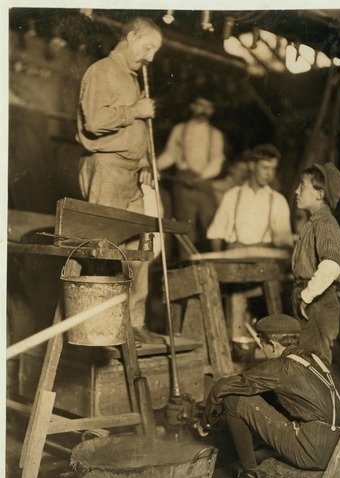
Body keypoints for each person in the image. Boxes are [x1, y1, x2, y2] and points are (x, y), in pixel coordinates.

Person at [195, 314, 340, 478]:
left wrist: (206, 424)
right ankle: (257, 446)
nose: (264, 350)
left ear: (274, 345)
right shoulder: (317, 358)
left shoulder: (280, 367)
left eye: (263, 345)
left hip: (312, 452)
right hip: (339, 445)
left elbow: (221, 387)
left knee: (234, 399)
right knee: (268, 395)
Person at [76, 17, 164, 344]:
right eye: (148, 47)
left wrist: (142, 162)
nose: (151, 57)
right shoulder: (102, 71)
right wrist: (135, 111)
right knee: (104, 252)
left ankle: (134, 324)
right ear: (132, 36)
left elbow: (133, 132)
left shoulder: (131, 77)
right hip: (107, 170)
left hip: (129, 174)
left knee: (143, 248)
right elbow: (95, 122)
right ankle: (99, 332)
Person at [206, 143, 293, 337]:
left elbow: (285, 242)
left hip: (263, 266)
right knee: (236, 305)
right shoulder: (232, 196)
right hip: (234, 266)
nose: (269, 174)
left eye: (273, 169)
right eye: (265, 167)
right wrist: (220, 266)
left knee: (268, 315)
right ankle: (236, 348)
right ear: (252, 166)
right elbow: (215, 233)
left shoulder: (277, 200)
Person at [156, 94, 225, 254]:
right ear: (192, 107)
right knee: (185, 229)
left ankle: (216, 266)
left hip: (204, 184)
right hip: (183, 185)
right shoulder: (179, 130)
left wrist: (200, 177)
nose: (204, 110)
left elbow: (216, 161)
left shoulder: (216, 134)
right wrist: (156, 167)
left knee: (213, 225)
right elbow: (170, 154)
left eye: (209, 107)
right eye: (201, 105)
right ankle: (187, 266)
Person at [292, 162, 340, 364]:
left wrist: (306, 295)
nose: (296, 191)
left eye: (302, 186)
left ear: (319, 194)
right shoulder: (314, 222)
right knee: (306, 364)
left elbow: (332, 265)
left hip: (317, 305)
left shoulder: (324, 223)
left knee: (315, 366)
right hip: (311, 303)